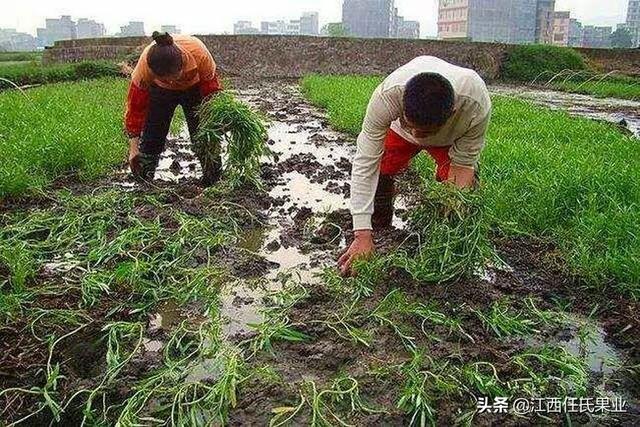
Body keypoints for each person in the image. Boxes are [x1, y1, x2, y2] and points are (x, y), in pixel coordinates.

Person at [338, 56, 492, 276]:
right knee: (382, 167)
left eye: (425, 133)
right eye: (412, 127)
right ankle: (380, 225)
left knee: (460, 193)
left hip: (448, 140)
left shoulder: (474, 105)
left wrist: (452, 234)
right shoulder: (387, 97)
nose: (417, 137)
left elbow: (463, 165)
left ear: (452, 113)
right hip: (398, 134)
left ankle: (440, 234)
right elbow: (365, 164)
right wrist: (361, 235)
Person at [125, 32, 222, 184]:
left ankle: (213, 179)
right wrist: (133, 149)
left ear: (182, 63)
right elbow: (135, 108)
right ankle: (144, 181)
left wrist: (214, 122)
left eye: (173, 77)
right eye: (166, 79)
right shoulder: (144, 68)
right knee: (152, 135)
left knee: (202, 133)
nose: (171, 82)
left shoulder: (199, 54)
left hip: (194, 88)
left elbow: (212, 93)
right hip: (160, 92)